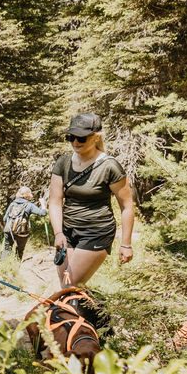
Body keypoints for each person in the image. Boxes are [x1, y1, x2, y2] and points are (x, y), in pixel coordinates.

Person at [48, 112, 136, 288]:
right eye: (70, 137)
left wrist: (126, 244)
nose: (75, 142)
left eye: (81, 138)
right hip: (68, 232)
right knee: (66, 283)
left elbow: (127, 206)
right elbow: (55, 201)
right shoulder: (63, 163)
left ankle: (95, 313)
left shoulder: (110, 166)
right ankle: (95, 314)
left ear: (96, 137)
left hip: (96, 233)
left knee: (70, 284)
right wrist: (58, 233)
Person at [1, 185, 46, 260]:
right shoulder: (29, 205)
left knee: (6, 249)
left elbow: (5, 218)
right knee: (20, 250)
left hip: (8, 230)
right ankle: (16, 267)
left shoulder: (12, 204)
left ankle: (3, 268)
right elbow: (42, 213)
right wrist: (43, 204)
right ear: (28, 195)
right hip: (21, 232)